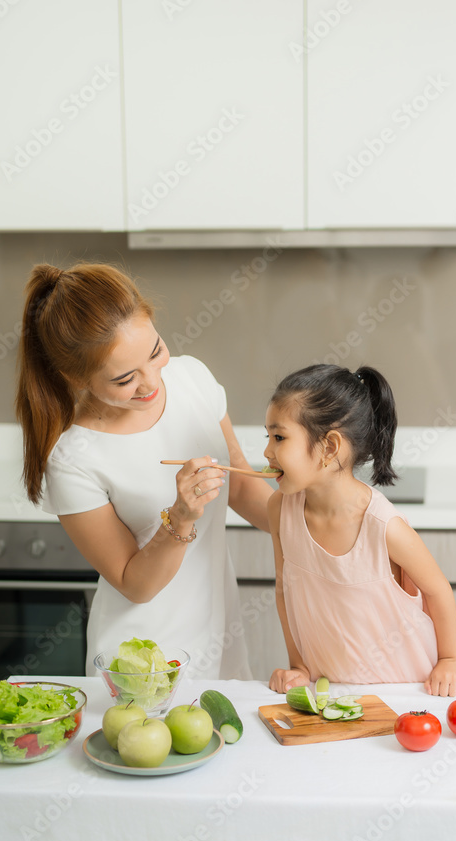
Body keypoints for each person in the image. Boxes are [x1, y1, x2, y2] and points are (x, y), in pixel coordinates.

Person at [15, 261, 272, 678]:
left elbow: (240, 486)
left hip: (219, 632)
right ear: (76, 378)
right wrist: (181, 516)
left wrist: (317, 521)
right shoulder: (73, 459)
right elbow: (136, 584)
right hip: (140, 659)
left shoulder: (193, 378)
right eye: (125, 379)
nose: (152, 382)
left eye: (155, 352)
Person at [264, 364, 456, 697]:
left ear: (330, 447)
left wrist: (450, 660)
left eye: (279, 437)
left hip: (404, 690)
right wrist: (300, 667)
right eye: (269, 437)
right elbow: (284, 592)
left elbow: (437, 590)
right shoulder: (280, 510)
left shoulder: (383, 526)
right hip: (331, 690)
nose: (266, 452)